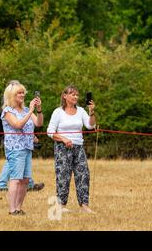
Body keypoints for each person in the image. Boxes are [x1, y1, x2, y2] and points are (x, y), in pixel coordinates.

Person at [47, 85, 96, 214]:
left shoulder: (81, 111)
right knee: (63, 176)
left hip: (78, 147)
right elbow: (50, 132)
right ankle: (61, 205)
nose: (75, 97)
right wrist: (63, 138)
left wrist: (91, 112)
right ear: (65, 96)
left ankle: (84, 205)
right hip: (62, 148)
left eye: (76, 94)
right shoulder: (58, 112)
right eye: (72, 94)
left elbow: (91, 126)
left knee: (83, 175)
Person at [1, 82, 43, 215]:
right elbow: (18, 125)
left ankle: (18, 208)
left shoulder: (25, 110)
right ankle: (12, 210)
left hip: (27, 148)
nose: (22, 95)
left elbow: (39, 123)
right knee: (16, 179)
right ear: (11, 95)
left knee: (25, 180)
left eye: (22, 92)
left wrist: (38, 109)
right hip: (15, 148)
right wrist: (30, 110)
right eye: (19, 92)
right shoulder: (8, 111)